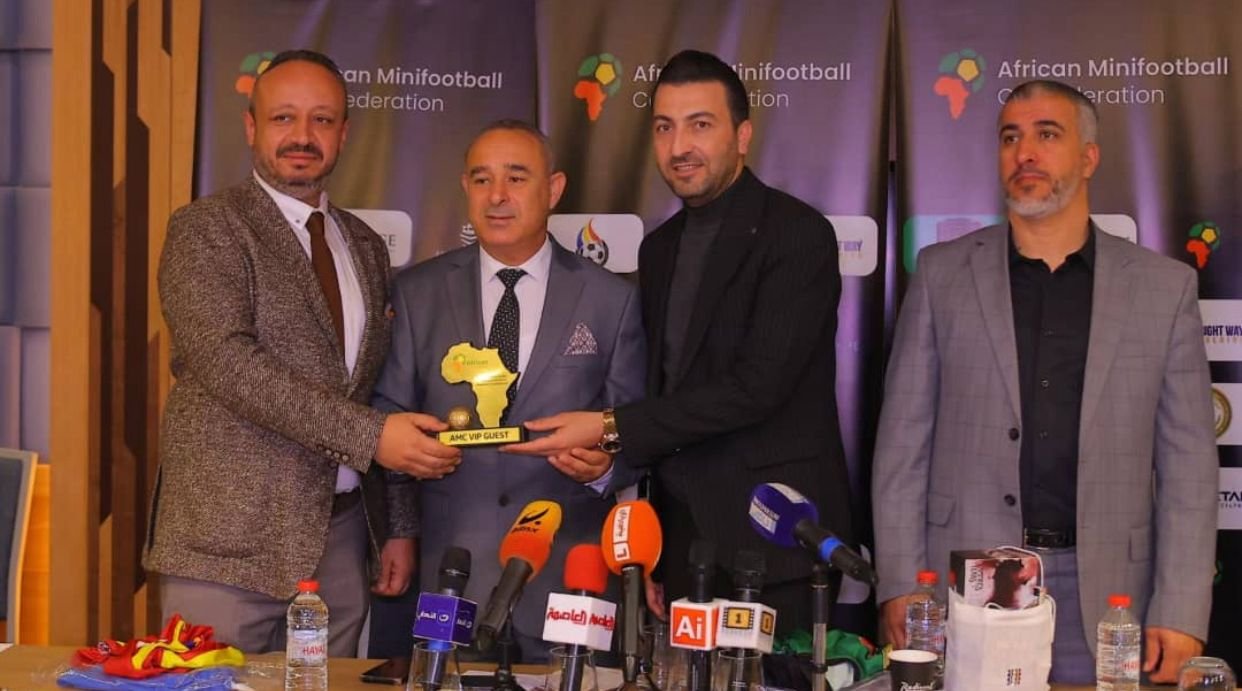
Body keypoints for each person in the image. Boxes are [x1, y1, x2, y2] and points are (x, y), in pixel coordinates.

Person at [871, 80, 1217, 684]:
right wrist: (900, 583)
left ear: (1089, 157)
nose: (1024, 152)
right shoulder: (942, 275)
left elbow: (1189, 464)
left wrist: (1183, 607)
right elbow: (902, 445)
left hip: (1110, 596)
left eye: (1046, 135)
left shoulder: (1164, 289)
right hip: (965, 587)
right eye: (1010, 137)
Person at [504, 50, 852, 634]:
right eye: (665, 127)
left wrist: (608, 426)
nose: (679, 146)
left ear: (743, 136)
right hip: (683, 542)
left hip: (775, 537)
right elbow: (664, 390)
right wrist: (651, 531)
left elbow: (757, 388)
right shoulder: (659, 248)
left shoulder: (798, 235)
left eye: (700, 124)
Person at [144, 49, 459, 656]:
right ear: (251, 127)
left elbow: (378, 390)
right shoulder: (206, 229)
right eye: (283, 117)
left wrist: (396, 525)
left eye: (322, 119)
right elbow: (228, 363)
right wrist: (372, 437)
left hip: (339, 544)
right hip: (227, 549)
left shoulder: (364, 245)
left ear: (343, 133)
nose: (303, 136)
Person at [371, 119, 645, 661]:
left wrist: (607, 467)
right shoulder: (418, 292)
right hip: (453, 573)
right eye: (482, 179)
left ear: (554, 189)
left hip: (570, 581)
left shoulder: (612, 299)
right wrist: (401, 520)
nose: (497, 196)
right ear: (465, 188)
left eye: (516, 178)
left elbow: (638, 425)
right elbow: (389, 415)